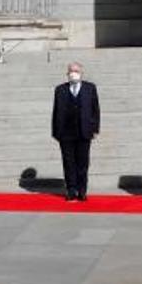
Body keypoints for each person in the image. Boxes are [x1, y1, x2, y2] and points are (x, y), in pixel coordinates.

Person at [51, 61, 100, 201]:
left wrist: (95, 128)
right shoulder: (60, 89)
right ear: (67, 74)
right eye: (71, 71)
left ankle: (82, 190)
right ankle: (71, 190)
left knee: (83, 163)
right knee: (68, 163)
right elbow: (56, 111)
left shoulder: (90, 88)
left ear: (81, 73)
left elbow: (95, 110)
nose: (74, 73)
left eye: (76, 71)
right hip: (65, 132)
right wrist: (55, 131)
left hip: (84, 131)